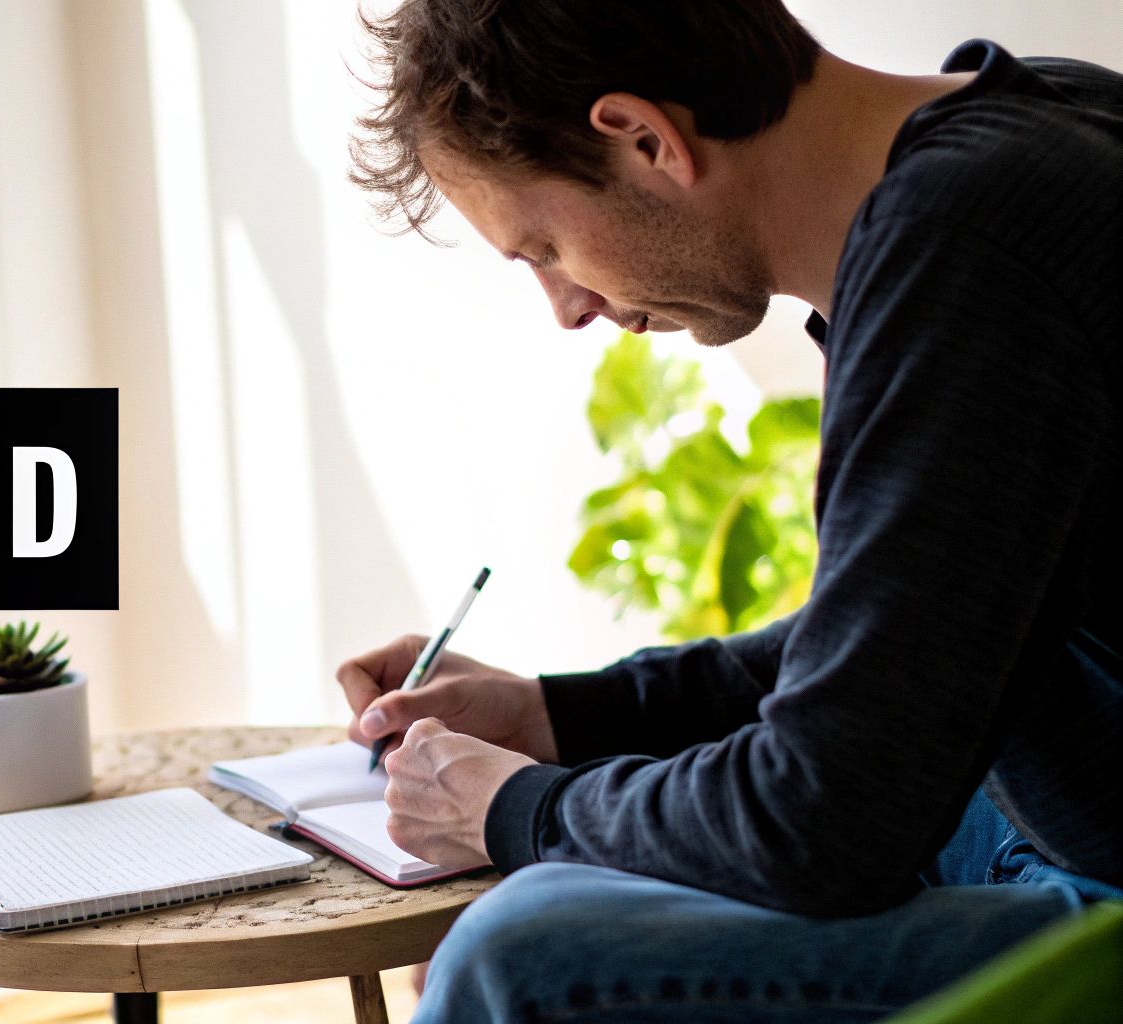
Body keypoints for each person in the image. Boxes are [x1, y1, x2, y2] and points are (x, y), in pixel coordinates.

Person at [337, 0, 1123, 1020]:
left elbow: (823, 818)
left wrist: (509, 808)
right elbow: (910, 647)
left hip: (1092, 879)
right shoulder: (1037, 122)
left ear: (643, 138)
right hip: (1047, 803)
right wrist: (557, 714)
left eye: (538, 247)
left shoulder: (962, 253)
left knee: (515, 952)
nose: (566, 308)